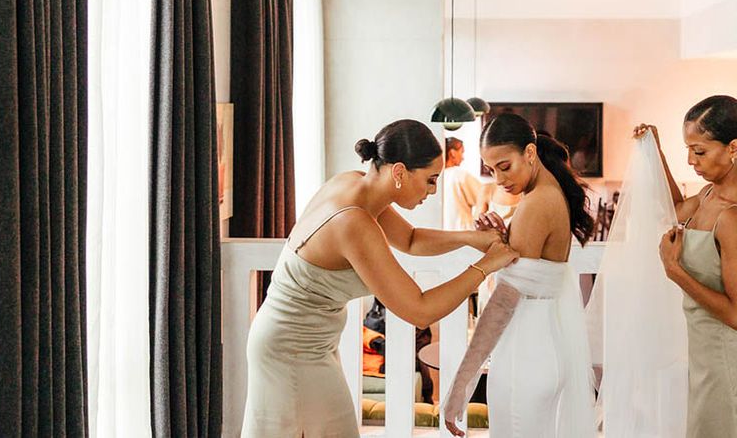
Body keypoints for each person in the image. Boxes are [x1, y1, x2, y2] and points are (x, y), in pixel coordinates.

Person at [241, 119, 519, 438]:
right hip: (290, 348)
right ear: (399, 172)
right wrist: (487, 265)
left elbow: (411, 239)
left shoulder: (354, 184)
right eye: (430, 180)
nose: (433, 190)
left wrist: (471, 239)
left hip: (308, 342)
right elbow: (419, 309)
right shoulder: (353, 222)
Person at [444, 113, 595, 437]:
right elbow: (530, 266)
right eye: (491, 169)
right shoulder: (550, 194)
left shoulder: (535, 204)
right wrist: (503, 241)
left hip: (524, 356)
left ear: (529, 152)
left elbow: (502, 303)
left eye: (505, 166)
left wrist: (461, 385)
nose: (498, 179)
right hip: (545, 347)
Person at [635, 94, 737, 438]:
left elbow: (736, 316)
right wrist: (656, 153)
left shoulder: (732, 217)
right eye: (687, 149)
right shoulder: (708, 196)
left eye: (700, 151)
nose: (691, 160)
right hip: (704, 356)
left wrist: (675, 271)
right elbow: (673, 209)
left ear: (733, 147)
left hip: (727, 359)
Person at [443, 137, 484, 230]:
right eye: (462, 152)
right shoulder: (459, 175)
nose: (463, 157)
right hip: (463, 234)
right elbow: (485, 197)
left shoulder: (438, 177)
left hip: (442, 232)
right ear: (452, 153)